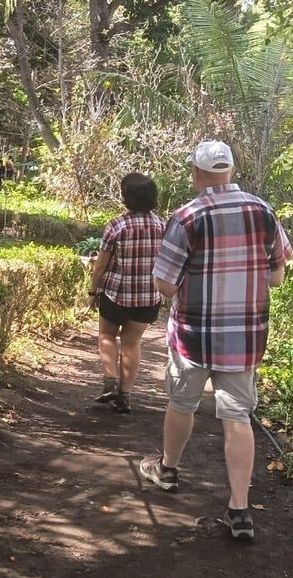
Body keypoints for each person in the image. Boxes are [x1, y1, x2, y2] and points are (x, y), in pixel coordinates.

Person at [138, 140, 291, 542]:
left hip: (193, 334)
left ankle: (168, 470)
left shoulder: (187, 217)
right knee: (237, 417)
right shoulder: (264, 211)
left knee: (182, 402)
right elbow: (277, 274)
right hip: (245, 335)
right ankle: (239, 510)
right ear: (231, 171)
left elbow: (166, 285)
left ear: (197, 173)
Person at [88, 172, 166, 414]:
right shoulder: (163, 226)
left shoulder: (117, 225)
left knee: (107, 336)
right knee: (132, 342)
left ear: (126, 197)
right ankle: (125, 396)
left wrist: (93, 291)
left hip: (116, 293)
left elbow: (101, 264)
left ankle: (109, 381)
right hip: (148, 296)